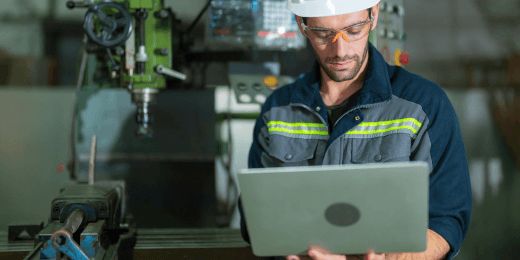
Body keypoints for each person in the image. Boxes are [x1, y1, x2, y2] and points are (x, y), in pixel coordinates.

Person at [238, 0, 472, 259]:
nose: (340, 50)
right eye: (323, 34)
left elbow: (446, 224)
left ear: (374, 14)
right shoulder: (277, 110)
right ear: (301, 25)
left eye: (353, 30)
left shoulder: (424, 105)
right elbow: (254, 218)